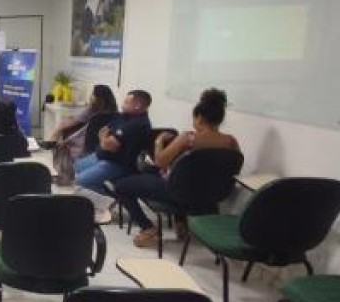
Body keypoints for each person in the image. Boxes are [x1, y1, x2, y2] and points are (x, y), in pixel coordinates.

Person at [111, 89, 239, 247]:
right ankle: (181, 224)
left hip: (178, 192)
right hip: (210, 196)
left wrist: (159, 141)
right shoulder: (231, 142)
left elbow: (160, 162)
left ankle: (148, 228)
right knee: (169, 174)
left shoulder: (189, 138)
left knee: (121, 187)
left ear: (199, 118)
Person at [74, 89, 153, 223]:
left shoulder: (138, 124)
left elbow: (109, 144)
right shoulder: (124, 117)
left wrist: (104, 139)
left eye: (126, 102)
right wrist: (105, 139)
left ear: (138, 106)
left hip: (118, 164)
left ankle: (110, 200)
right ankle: (101, 194)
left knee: (81, 181)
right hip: (103, 156)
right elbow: (104, 132)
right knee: (74, 168)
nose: (122, 105)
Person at [49, 84, 119, 147]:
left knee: (62, 124)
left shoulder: (92, 109)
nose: (91, 96)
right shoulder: (114, 112)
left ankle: (51, 143)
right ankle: (52, 142)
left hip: (86, 139)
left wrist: (59, 129)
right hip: (101, 140)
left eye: (93, 94)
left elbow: (77, 121)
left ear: (97, 97)